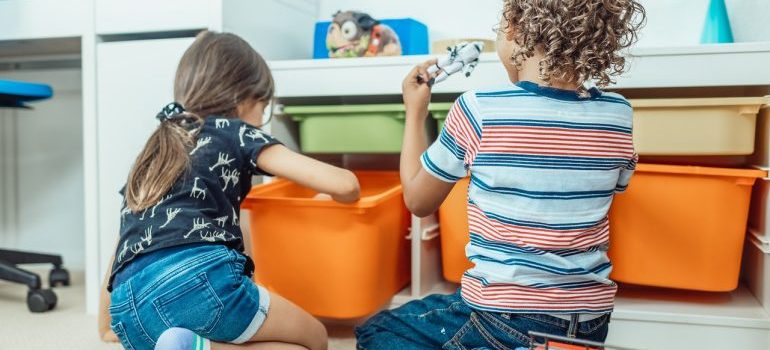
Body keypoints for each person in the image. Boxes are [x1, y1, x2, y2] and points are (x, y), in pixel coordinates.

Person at [356, 0, 646, 348]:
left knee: (377, 330)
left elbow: (418, 200)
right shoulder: (618, 114)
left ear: (515, 28)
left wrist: (415, 112)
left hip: (502, 316)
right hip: (589, 323)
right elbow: (616, 185)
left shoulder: (479, 108)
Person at [98, 31, 360, 350]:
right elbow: (345, 184)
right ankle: (205, 347)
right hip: (201, 279)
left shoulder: (157, 150)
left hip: (130, 309)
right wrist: (342, 195)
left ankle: (191, 345)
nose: (260, 119)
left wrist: (107, 325)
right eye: (262, 108)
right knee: (315, 339)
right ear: (243, 99)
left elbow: (121, 246)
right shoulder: (232, 130)